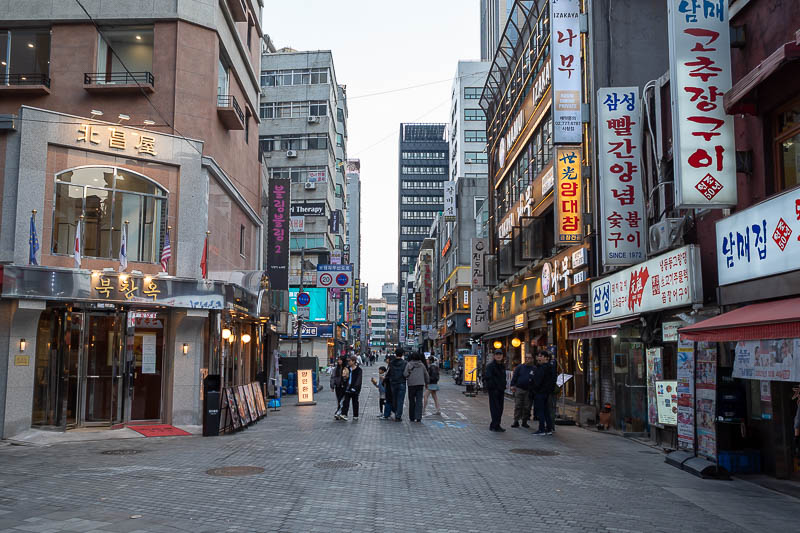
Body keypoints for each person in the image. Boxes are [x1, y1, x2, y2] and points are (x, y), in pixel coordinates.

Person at [531, 351, 555, 435]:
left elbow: (538, 381)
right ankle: (549, 428)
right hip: (547, 392)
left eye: (541, 356)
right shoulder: (551, 367)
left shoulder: (542, 368)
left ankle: (541, 429)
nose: (539, 358)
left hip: (540, 392)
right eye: (538, 356)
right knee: (546, 410)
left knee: (540, 411)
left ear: (546, 358)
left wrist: (534, 388)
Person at [510, 353, 536, 428]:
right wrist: (512, 385)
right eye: (526, 358)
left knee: (527, 406)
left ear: (532, 359)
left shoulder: (534, 368)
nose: (528, 359)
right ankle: (516, 421)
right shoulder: (520, 367)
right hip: (519, 388)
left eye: (529, 358)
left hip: (529, 390)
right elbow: (515, 376)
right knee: (518, 405)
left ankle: (524, 421)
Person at [484, 349, 507, 432]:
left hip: (501, 390)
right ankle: (494, 425)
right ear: (494, 356)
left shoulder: (502, 366)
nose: (498, 356)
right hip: (494, 390)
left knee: (500, 408)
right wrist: (493, 387)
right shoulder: (490, 366)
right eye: (497, 354)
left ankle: (496, 424)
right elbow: (487, 377)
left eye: (500, 354)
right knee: (495, 408)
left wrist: (503, 386)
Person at [404, 352, 429, 422]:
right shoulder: (422, 365)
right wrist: (427, 383)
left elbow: (405, 374)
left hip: (411, 385)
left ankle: (412, 417)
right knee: (419, 401)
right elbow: (426, 375)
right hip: (420, 385)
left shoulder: (408, 364)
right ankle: (418, 417)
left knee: (411, 401)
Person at [385, 348, 408, 421]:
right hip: (402, 382)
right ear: (402, 354)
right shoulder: (405, 363)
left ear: (395, 354)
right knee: (400, 400)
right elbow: (406, 373)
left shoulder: (391, 363)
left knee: (394, 399)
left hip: (393, 383)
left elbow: (389, 372)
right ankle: (398, 416)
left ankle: (395, 412)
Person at [337, 356, 362, 421]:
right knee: (346, 402)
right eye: (348, 361)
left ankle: (355, 415)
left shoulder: (358, 370)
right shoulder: (347, 369)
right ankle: (344, 414)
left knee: (355, 402)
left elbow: (359, 380)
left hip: (355, 389)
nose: (348, 362)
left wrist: (355, 388)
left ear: (354, 361)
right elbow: (344, 378)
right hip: (347, 388)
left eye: (350, 361)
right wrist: (344, 378)